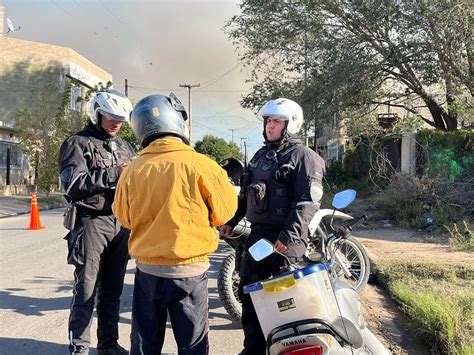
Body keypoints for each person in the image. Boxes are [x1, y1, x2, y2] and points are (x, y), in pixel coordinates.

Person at [112, 93, 238, 355]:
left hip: (148, 273)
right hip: (190, 273)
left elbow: (123, 218)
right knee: (192, 345)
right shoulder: (203, 165)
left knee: (145, 345)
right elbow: (225, 213)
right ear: (177, 122)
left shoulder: (132, 171)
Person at [220, 98, 325, 354]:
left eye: (276, 121)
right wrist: (230, 222)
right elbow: (245, 196)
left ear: (290, 124)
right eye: (268, 121)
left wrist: (288, 237)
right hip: (258, 239)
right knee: (250, 295)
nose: (270, 126)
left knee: (286, 302)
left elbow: (307, 203)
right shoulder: (259, 157)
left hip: (286, 242)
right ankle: (253, 349)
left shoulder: (305, 157)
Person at [59, 89, 136, 354]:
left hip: (121, 223)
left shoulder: (125, 146)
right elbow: (74, 184)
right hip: (91, 223)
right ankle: (79, 347)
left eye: (121, 119)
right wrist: (115, 173)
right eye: (111, 117)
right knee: (86, 290)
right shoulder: (77, 143)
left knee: (112, 291)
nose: (116, 123)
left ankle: (108, 345)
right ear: (97, 113)